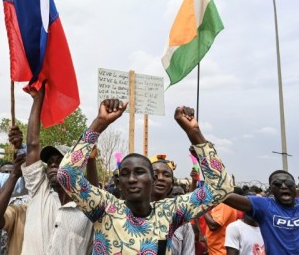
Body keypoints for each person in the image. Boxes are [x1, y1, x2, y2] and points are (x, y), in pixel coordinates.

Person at [57, 99, 234, 254]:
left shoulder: (170, 212)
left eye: (139, 172)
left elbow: (221, 187)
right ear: (119, 183)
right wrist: (100, 123)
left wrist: (194, 133)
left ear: (152, 179)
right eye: (125, 174)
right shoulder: (106, 208)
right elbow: (67, 174)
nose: (132, 179)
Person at [14, 85, 94, 255]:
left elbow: (94, 187)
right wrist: (38, 99)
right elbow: (33, 145)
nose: (52, 165)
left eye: (59, 161)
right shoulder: (38, 190)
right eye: (49, 162)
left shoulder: (86, 208)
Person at [224, 169, 299, 254]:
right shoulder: (265, 205)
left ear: (295, 187)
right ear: (271, 189)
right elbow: (225, 196)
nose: (284, 186)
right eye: (277, 183)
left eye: (289, 183)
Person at [149, 154, 195, 255]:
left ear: (172, 183)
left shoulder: (183, 221)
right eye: (155, 174)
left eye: (166, 175)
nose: (161, 178)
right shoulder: (131, 214)